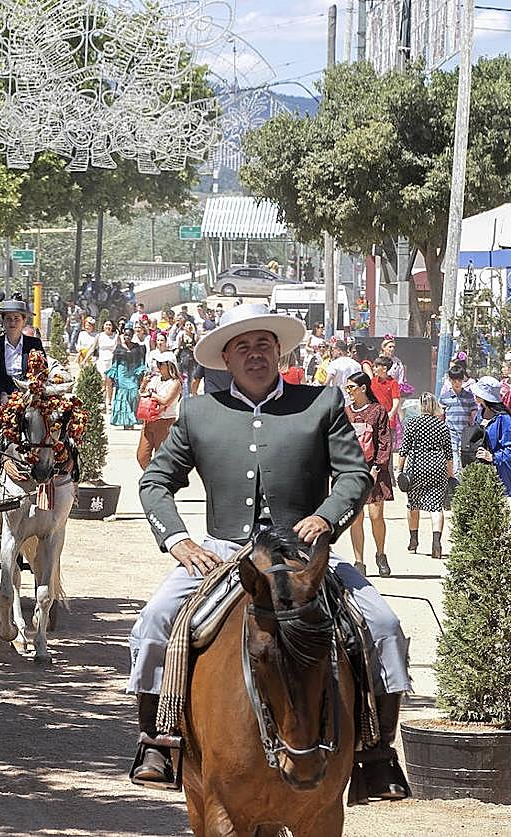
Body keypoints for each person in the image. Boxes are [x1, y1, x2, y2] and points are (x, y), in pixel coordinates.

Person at [131, 303, 410, 799]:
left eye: (263, 344)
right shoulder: (198, 412)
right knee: (154, 622)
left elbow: (354, 474)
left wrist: (326, 517)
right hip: (223, 554)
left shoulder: (320, 403)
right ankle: (158, 741)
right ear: (226, 358)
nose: (255, 354)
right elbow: (155, 482)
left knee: (384, 626)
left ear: (278, 351)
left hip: (303, 555)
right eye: (243, 346)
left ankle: (376, 753)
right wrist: (179, 540)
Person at [345, 372, 393, 577]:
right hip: (352, 472)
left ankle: (381, 555)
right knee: (356, 518)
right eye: (347, 388)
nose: (348, 392)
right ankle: (359, 562)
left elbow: (384, 441)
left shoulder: (377, 411)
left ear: (363, 388)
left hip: (374, 471)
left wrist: (377, 467)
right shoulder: (345, 412)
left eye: (351, 387)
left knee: (376, 516)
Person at [394, 392, 452, 559]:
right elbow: (448, 454)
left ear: (420, 406)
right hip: (437, 466)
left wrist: (399, 469)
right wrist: (449, 475)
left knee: (413, 504)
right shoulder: (442, 426)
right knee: (436, 507)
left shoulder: (412, 424)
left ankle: (413, 541)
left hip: (416, 466)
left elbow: (404, 449)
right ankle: (436, 543)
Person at [0, 299, 42, 432]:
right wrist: (1, 394)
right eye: (8, 319)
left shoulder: (34, 344)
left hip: (28, 397)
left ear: (24, 321)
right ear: (3, 321)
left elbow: (41, 373)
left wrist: (28, 394)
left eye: (16, 318)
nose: (12, 323)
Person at [136, 352, 181, 470]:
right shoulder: (155, 379)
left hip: (164, 422)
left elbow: (166, 401)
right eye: (157, 363)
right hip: (149, 420)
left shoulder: (175, 383)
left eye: (161, 363)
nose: (158, 366)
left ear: (170, 365)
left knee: (161, 458)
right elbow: (142, 394)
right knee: (142, 456)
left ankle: (158, 480)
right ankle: (152, 476)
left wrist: (152, 394)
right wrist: (144, 384)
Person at [472, 376, 511, 495]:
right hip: (481, 473)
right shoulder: (480, 413)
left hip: (501, 478)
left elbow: (509, 450)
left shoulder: (504, 419)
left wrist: (492, 457)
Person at [440, 364, 479, 476]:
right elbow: (441, 415)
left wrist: (472, 424)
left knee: (464, 455)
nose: (457, 383)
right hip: (450, 431)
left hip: (465, 431)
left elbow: (473, 411)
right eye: (454, 380)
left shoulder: (469, 396)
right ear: (450, 380)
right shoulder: (444, 397)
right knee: (453, 454)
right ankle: (455, 479)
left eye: (459, 380)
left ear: (463, 380)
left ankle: (463, 478)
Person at [108, 327, 145, 431]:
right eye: (125, 335)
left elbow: (140, 362)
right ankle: (127, 422)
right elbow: (115, 363)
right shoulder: (119, 348)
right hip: (122, 373)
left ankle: (132, 419)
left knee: (133, 394)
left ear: (132, 336)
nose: (127, 337)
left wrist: (140, 372)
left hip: (132, 373)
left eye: (129, 335)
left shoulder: (137, 347)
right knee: (123, 396)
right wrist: (113, 376)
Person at [94, 320, 117, 409]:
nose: (108, 326)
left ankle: (108, 402)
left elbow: (120, 349)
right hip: (102, 361)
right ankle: (101, 400)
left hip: (111, 361)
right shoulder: (99, 336)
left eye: (110, 325)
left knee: (109, 383)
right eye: (106, 325)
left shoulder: (115, 336)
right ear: (103, 326)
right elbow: (93, 348)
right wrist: (85, 359)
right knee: (102, 381)